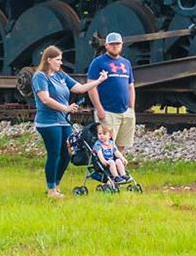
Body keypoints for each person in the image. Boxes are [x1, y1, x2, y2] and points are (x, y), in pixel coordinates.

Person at [31, 45, 102, 198]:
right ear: (49, 60)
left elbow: (80, 88)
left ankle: (56, 185)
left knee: (67, 154)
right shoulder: (40, 76)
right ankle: (51, 190)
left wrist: (99, 80)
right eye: (58, 60)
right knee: (54, 153)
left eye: (61, 60)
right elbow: (45, 99)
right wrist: (66, 108)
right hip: (48, 122)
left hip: (63, 121)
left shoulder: (60, 75)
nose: (60, 63)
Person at [86, 30, 137, 157]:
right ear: (106, 46)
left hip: (126, 112)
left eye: (118, 44)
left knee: (121, 146)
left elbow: (130, 86)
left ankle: (118, 172)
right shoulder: (98, 62)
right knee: (107, 146)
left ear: (121, 45)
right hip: (107, 111)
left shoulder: (126, 63)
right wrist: (99, 109)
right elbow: (91, 87)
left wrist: (132, 108)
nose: (115, 46)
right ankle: (108, 174)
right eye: (112, 44)